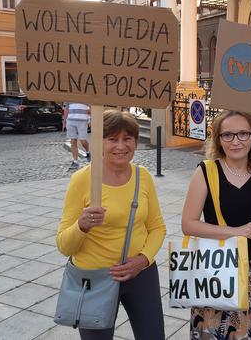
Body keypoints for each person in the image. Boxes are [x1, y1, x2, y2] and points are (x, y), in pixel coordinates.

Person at [56, 110, 167, 340]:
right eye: (112, 139)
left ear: (136, 142)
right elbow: (64, 246)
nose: (120, 146)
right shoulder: (82, 180)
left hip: (140, 275)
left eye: (127, 138)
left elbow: (157, 227)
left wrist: (143, 259)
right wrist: (82, 226)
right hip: (94, 279)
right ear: (99, 142)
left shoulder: (143, 177)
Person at [181, 110, 251, 339]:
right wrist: (236, 232)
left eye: (242, 134)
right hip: (219, 271)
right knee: (217, 331)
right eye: (227, 135)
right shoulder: (206, 172)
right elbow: (188, 224)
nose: (235, 141)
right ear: (218, 139)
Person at [66, 102, 91, 169]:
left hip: (83, 120)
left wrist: (90, 119)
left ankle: (87, 151)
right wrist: (64, 121)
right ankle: (75, 161)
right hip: (70, 120)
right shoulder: (68, 95)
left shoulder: (83, 95)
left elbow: (91, 106)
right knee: (73, 141)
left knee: (83, 141)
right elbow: (67, 108)